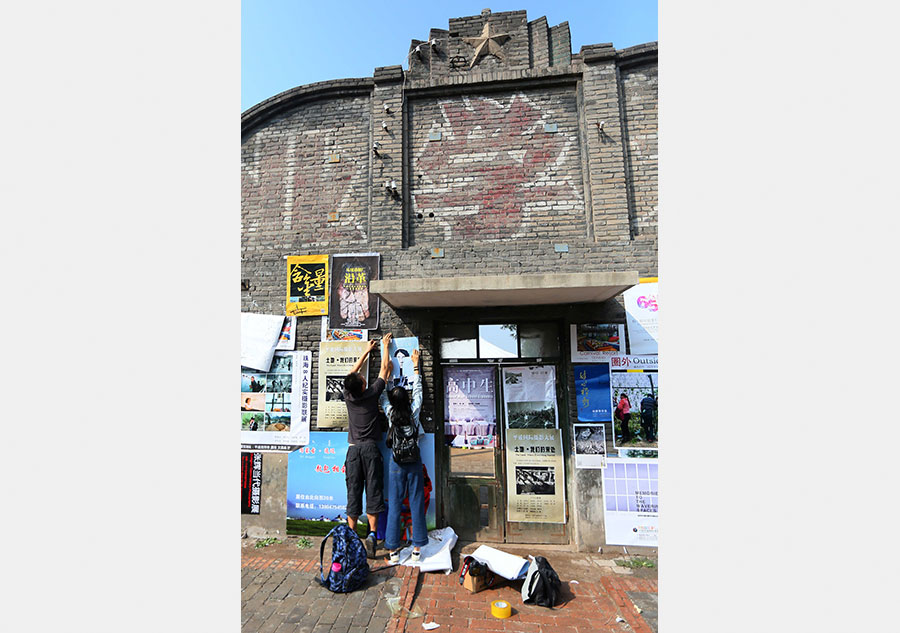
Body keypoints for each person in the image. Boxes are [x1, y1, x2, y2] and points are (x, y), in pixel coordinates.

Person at [342, 332, 392, 559]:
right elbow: (384, 369)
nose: (363, 377)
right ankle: (372, 535)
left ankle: (351, 537)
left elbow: (352, 373)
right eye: (363, 379)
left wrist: (364, 352)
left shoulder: (349, 396)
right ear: (363, 385)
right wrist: (384, 346)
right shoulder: (372, 394)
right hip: (371, 450)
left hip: (353, 450)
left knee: (353, 491)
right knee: (374, 490)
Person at [379, 345, 427, 565]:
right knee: (416, 501)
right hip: (414, 461)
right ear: (406, 400)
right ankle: (417, 550)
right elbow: (419, 392)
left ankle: (393, 552)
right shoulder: (413, 413)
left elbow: (382, 398)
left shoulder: (390, 413)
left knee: (395, 505)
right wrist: (416, 367)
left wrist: (387, 374)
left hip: (396, 463)